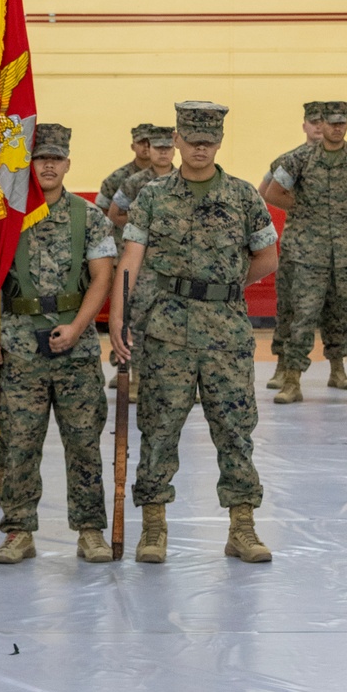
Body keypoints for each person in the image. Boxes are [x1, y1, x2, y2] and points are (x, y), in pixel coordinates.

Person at [110, 100, 278, 565]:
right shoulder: (153, 196)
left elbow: (268, 257)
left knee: (235, 429)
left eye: (209, 142)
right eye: (193, 141)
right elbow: (130, 262)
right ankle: (153, 528)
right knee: (160, 430)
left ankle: (242, 528)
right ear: (178, 141)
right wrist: (119, 321)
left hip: (226, 332)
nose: (200, 149)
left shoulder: (244, 196)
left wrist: (223, 288)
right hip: (167, 332)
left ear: (219, 143)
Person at [0, 123, 117, 565]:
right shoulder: (3, 218)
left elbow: (102, 277)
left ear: (69, 164)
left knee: (83, 442)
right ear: (28, 164)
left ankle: (90, 531)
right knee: (18, 443)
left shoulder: (89, 216)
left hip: (74, 347)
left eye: (56, 158)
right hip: (18, 344)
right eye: (41, 158)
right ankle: (18, 530)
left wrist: (78, 328)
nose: (49, 165)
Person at [264, 102, 347, 405]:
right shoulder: (299, 158)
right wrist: (306, 210)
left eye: (342, 122)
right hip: (308, 255)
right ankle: (292, 381)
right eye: (332, 122)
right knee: (302, 318)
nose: (337, 128)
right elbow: (271, 192)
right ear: (322, 123)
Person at [258, 110, 347, 392]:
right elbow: (264, 191)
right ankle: (281, 368)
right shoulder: (290, 159)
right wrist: (304, 206)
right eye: (314, 123)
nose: (320, 128)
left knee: (336, 309)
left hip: (336, 250)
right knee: (289, 308)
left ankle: (338, 369)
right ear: (306, 125)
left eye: (325, 122)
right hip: (298, 250)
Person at [106, 124, 178, 403]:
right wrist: (143, 231)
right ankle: (136, 378)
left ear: (174, 149)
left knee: (175, 322)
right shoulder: (135, 182)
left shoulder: (184, 180)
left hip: (174, 264)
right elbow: (115, 213)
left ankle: (177, 382)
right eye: (157, 149)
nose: (162, 153)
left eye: (166, 148)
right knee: (137, 320)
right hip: (143, 264)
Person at [96, 123, 153, 383]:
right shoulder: (120, 179)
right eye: (141, 142)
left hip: (157, 262)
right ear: (133, 146)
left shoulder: (172, 177)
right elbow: (100, 216)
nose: (146, 147)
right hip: (124, 254)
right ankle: (124, 368)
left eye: (150, 142)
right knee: (126, 314)